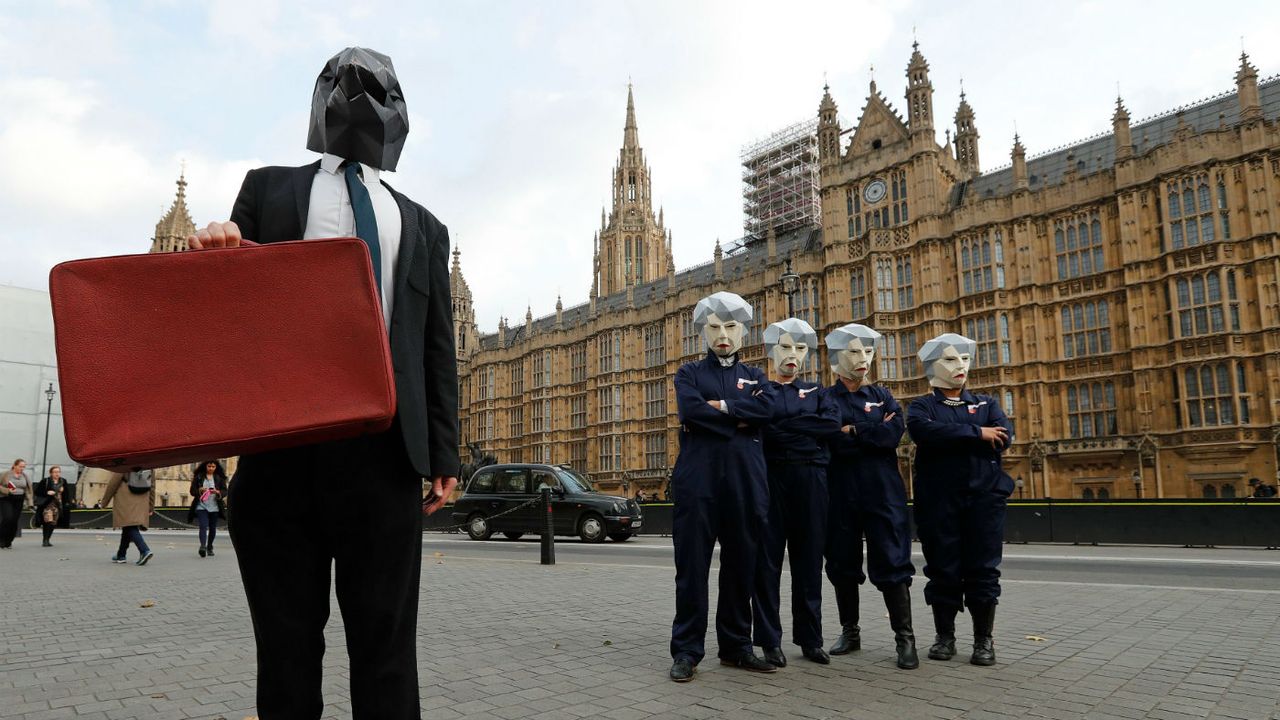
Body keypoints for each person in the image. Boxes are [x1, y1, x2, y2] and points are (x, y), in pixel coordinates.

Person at [186, 47, 459, 719]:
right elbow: (221, 312)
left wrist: (444, 455)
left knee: (387, 653)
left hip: (386, 453)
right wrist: (216, 245)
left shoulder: (424, 225)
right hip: (283, 449)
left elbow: (436, 346)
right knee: (285, 652)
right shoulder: (269, 188)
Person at [668, 291, 777, 682]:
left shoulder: (759, 375)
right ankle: (686, 650)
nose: (723, 335)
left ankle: (735, 646)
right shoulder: (688, 374)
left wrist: (721, 408)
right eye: (714, 328)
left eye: (731, 327)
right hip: (698, 480)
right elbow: (690, 410)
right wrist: (740, 413)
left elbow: (769, 411)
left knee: (741, 565)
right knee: (692, 568)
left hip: (746, 481)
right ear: (703, 333)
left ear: (745, 332)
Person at [906, 333, 1014, 667]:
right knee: (942, 569)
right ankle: (945, 637)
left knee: (983, 569)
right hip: (939, 501)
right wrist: (976, 433)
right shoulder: (923, 407)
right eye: (951, 360)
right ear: (932, 366)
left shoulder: (986, 403)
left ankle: (984, 640)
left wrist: (955, 435)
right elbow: (923, 432)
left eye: (965, 359)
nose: (960, 366)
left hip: (984, 499)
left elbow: (1004, 437)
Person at [822, 324, 918, 669]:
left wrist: (856, 431)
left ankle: (905, 639)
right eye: (854, 352)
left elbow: (894, 432)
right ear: (836, 358)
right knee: (842, 564)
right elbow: (830, 438)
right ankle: (851, 631)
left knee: (893, 561)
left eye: (868, 352)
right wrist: (872, 432)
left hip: (883, 492)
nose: (863, 359)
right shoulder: (825, 399)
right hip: (840, 491)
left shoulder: (883, 395)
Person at [751, 318, 841, 668]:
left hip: (812, 479)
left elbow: (831, 425)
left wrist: (783, 426)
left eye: (800, 348)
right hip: (772, 478)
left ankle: (810, 639)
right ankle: (769, 641)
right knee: (767, 564)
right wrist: (805, 429)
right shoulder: (761, 391)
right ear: (772, 351)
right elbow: (763, 430)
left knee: (809, 563)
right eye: (785, 348)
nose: (793, 355)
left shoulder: (819, 391)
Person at [101, 469, 156, 565]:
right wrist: (151, 506)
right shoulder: (150, 461)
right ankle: (121, 555)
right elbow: (152, 485)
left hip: (125, 495)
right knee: (127, 525)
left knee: (130, 526)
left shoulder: (127, 457)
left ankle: (144, 550)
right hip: (143, 496)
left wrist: (105, 501)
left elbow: (114, 481)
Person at [187, 460, 228, 557]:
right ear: (205, 466)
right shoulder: (199, 477)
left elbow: (225, 491)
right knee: (203, 526)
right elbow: (192, 491)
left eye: (213, 467)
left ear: (216, 467)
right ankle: (202, 547)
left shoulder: (219, 478)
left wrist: (217, 492)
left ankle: (210, 547)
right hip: (201, 506)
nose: (211, 468)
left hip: (215, 507)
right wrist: (199, 490)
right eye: (209, 466)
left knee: (212, 528)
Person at [0, 459, 31, 548]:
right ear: (14, 465)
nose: (22, 468)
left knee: (14, 521)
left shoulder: (25, 476)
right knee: (8, 518)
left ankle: (9, 541)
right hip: (7, 498)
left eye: (23, 467)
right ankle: (1, 539)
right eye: (20, 466)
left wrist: (30, 502)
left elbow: (28, 489)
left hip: (19, 500)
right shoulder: (5, 474)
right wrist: (7, 490)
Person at [33, 466, 66, 547]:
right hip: (47, 504)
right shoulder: (46, 481)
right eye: (55, 472)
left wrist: (64, 492)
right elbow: (37, 491)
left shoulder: (63, 481)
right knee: (48, 521)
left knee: (53, 523)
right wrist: (47, 492)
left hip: (58, 504)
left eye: (58, 472)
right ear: (51, 473)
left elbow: (66, 494)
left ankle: (48, 538)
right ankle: (45, 540)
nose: (57, 474)